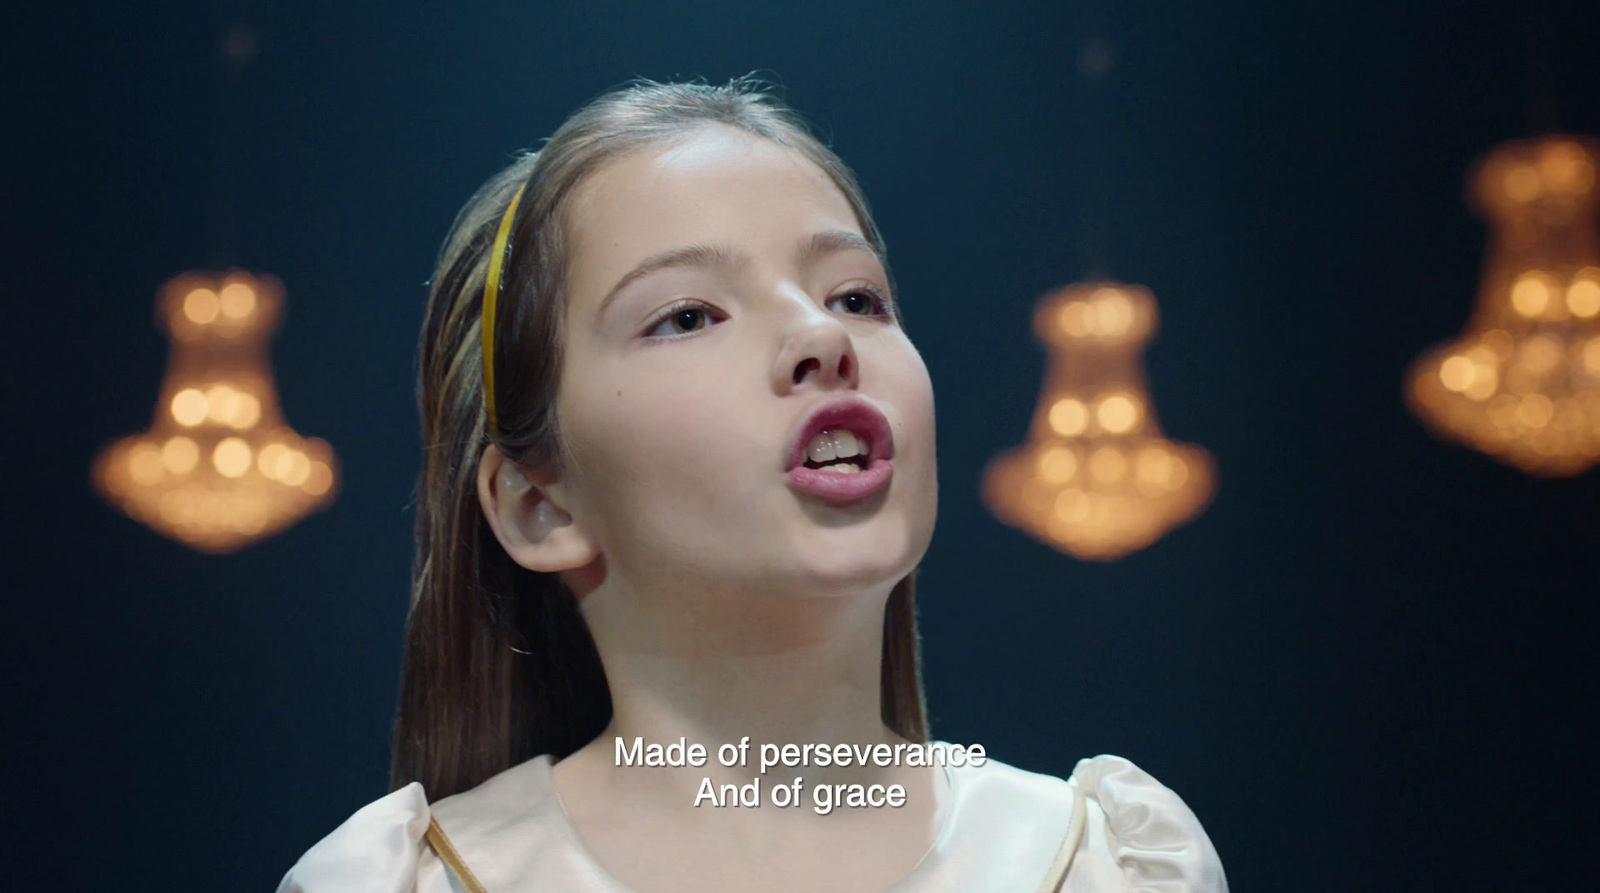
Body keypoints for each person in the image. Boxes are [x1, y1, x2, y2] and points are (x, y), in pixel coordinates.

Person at [275, 75, 1228, 893]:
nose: (823, 337)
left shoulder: (1100, 865)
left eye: (856, 296)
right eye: (689, 315)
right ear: (541, 503)